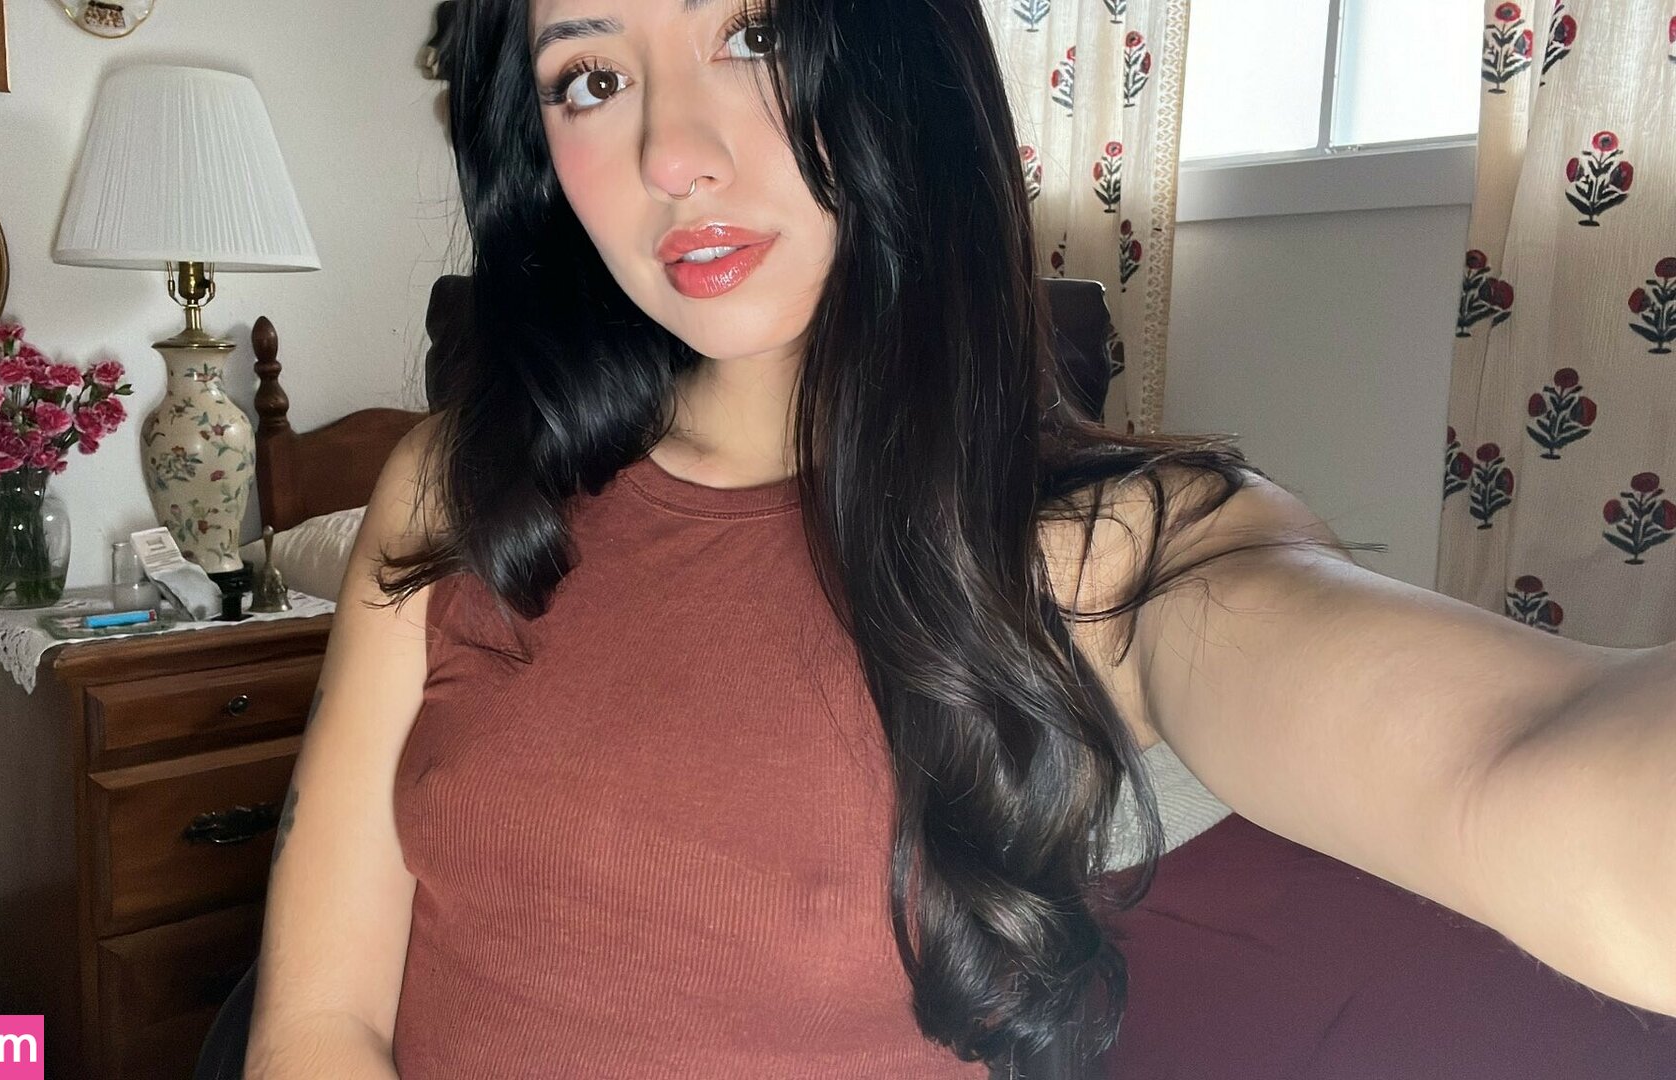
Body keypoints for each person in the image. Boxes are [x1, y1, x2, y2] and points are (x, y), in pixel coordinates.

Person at [241, 1, 1676, 1077]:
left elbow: (1527, 775)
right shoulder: (454, 490)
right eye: (593, 76)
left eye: (759, 32)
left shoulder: (1096, 548)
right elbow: (318, 1021)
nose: (674, 154)